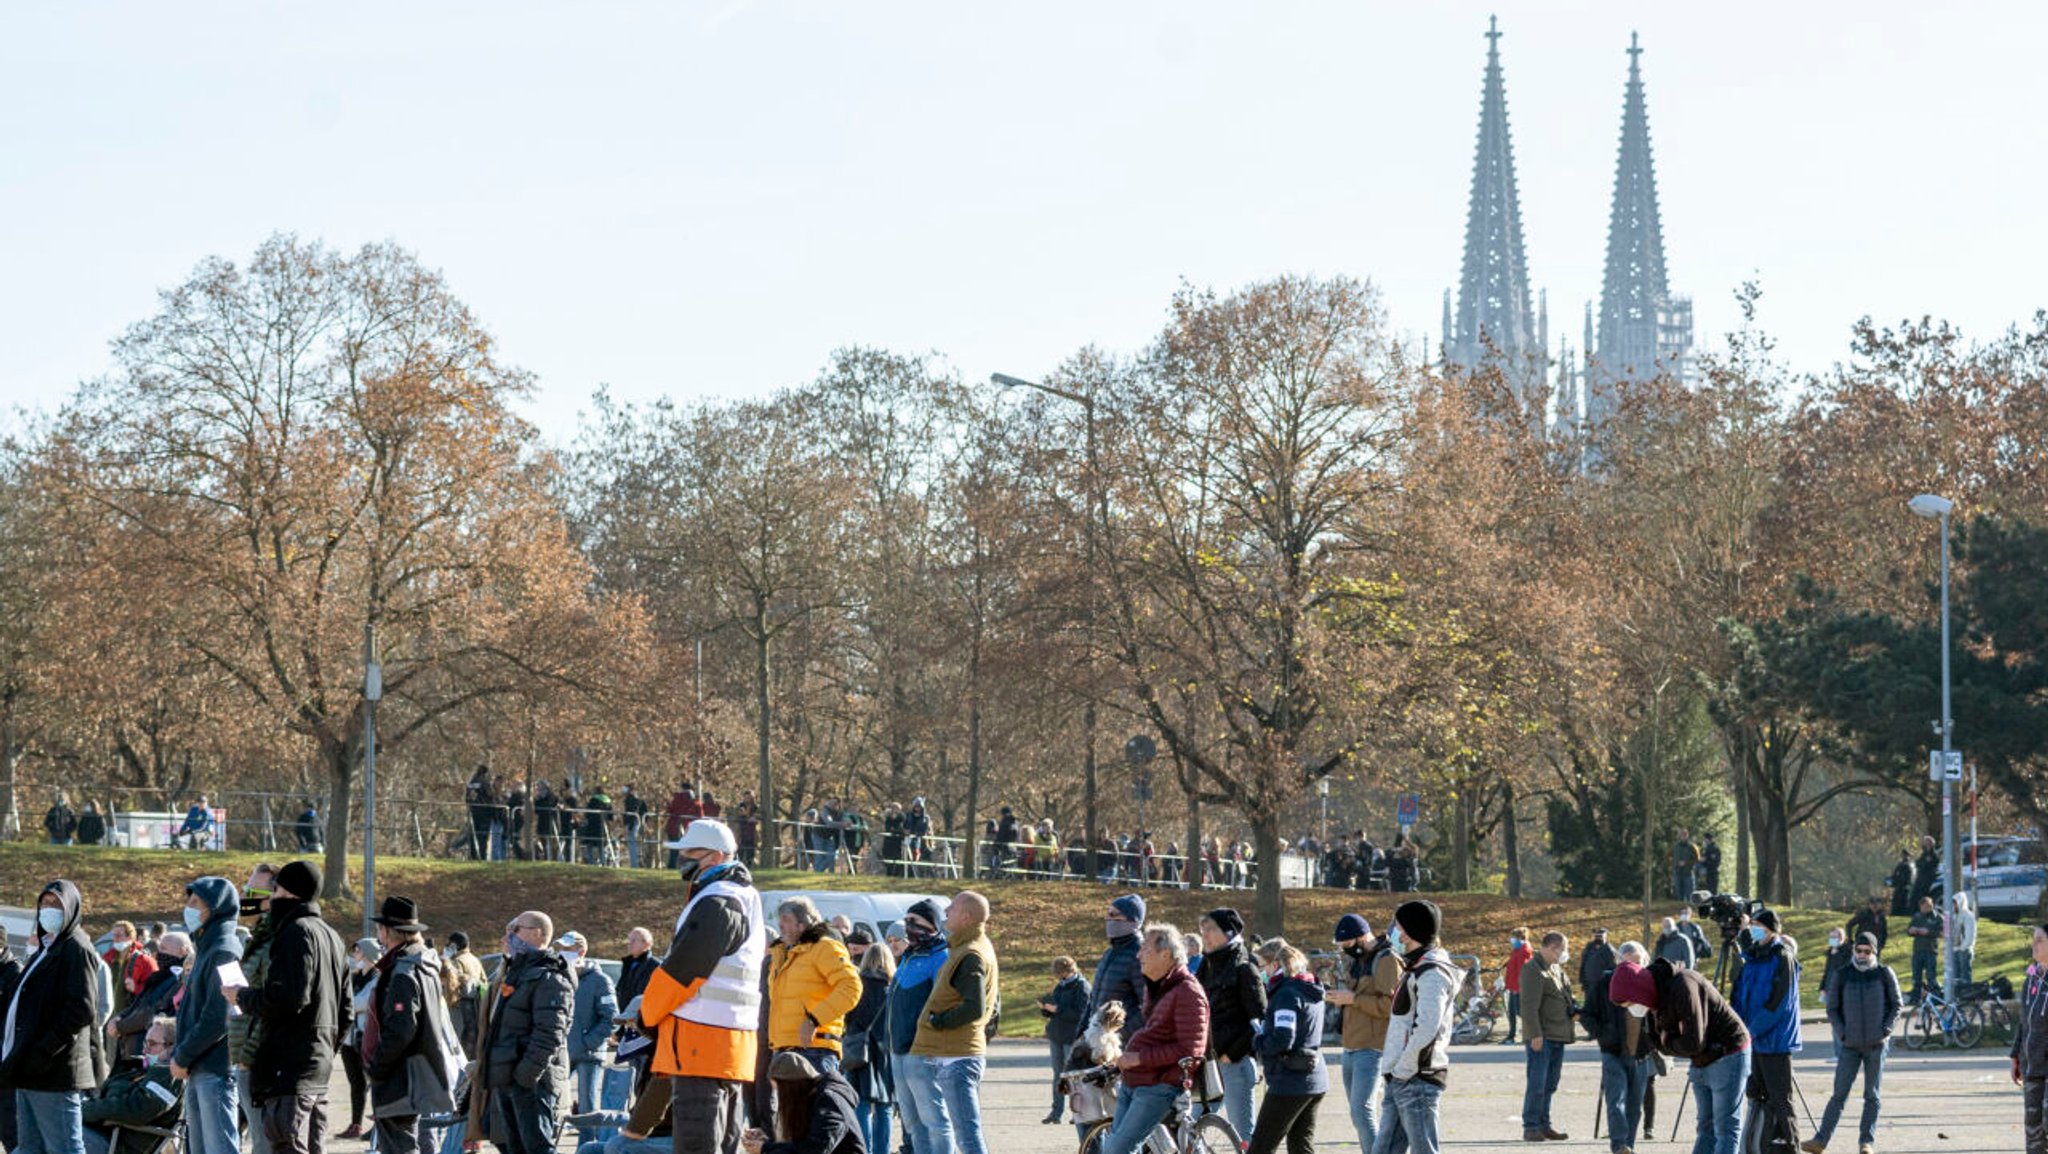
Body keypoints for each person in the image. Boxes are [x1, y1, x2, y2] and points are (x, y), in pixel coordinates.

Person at [638, 817, 763, 1154]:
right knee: (723, 1140)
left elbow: (682, 972)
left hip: (700, 1040)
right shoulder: (739, 897)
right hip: (726, 1041)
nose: (685, 858)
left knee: (698, 1141)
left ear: (718, 856)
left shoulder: (718, 901)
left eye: (692, 852)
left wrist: (647, 1016)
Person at [228, 860, 348, 1154]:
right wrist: (326, 1049)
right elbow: (344, 1011)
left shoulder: (294, 933)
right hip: (316, 1066)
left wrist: (241, 996)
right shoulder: (332, 936)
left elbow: (286, 999)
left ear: (290, 893)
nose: (270, 897)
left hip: (289, 1068)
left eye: (275, 890)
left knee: (283, 1144)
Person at [1, 880, 99, 1154]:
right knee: (31, 1147)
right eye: (44, 903)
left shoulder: (76, 948)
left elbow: (81, 1008)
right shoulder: (47, 948)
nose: (48, 909)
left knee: (64, 1148)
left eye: (55, 903)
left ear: (70, 907)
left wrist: (43, 1051)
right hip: (28, 1069)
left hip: (53, 1071)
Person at [1093, 924, 1208, 1154]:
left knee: (1116, 1150)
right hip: (1136, 1081)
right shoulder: (1157, 987)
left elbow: (1190, 1051)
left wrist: (1139, 1058)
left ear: (1165, 954)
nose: (1138, 955)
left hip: (1158, 1085)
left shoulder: (1187, 992)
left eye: (1144, 949)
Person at [907, 891, 998, 1154]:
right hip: (952, 1054)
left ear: (967, 917)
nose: (946, 912)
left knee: (967, 1137)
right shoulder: (966, 947)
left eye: (953, 908)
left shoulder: (971, 953)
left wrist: (939, 1022)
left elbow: (975, 1007)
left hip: (957, 1057)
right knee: (964, 1133)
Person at [365, 897, 458, 1154]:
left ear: (387, 932)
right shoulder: (421, 963)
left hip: (401, 1077)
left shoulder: (404, 972)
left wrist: (378, 1067)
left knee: (399, 1146)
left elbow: (401, 1029)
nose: (377, 934)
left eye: (379, 929)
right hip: (410, 1074)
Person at [1376, 899, 1459, 1154]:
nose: (1393, 932)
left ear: (1411, 931)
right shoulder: (1416, 966)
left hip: (1415, 1079)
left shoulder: (1431, 972)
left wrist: (1404, 1068)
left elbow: (1428, 1027)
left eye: (1397, 926)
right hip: (1401, 1077)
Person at [1645, 952, 1749, 1154]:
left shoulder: (1684, 984)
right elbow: (1660, 1043)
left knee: (1725, 1127)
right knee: (1705, 1127)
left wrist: (1669, 1041)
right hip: (1702, 1059)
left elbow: (1692, 1041)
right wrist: (1671, 1041)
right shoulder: (1655, 996)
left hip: (1727, 1052)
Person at [1805, 932, 1899, 1154]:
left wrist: (1886, 1030)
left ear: (1874, 952)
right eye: (1859, 950)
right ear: (1854, 950)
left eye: (1867, 951)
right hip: (1849, 1045)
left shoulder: (1884, 973)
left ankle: (1866, 1142)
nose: (1862, 955)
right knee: (1839, 1095)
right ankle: (1820, 1140)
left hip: (1876, 1045)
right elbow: (1832, 1008)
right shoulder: (1842, 974)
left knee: (1872, 1095)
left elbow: (1896, 1005)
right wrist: (1842, 1033)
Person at [171, 876, 242, 1154]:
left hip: (214, 1069)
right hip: (199, 1068)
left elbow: (220, 1015)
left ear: (215, 907)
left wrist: (183, 1055)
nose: (188, 908)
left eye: (195, 902)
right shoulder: (206, 949)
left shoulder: (224, 950)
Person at [1730, 908, 1802, 1154]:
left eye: (1758, 924)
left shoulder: (1783, 956)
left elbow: (1778, 1004)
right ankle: (1757, 1146)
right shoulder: (1751, 957)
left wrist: (1750, 1031)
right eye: (1752, 924)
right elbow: (1739, 995)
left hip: (1774, 1042)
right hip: (1751, 1041)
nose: (1753, 928)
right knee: (1756, 1097)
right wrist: (1737, 1027)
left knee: (1781, 1100)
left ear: (1771, 929)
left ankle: (1791, 1147)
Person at [1246, 938, 1327, 1154]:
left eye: (1262, 966)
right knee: (1301, 1147)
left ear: (1275, 965)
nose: (1261, 972)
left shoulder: (1286, 994)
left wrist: (1259, 1040)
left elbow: (1283, 1039)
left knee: (1261, 1147)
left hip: (1290, 1080)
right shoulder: (1309, 988)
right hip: (1314, 1077)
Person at [1327, 913, 1398, 1153]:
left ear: (1361, 937)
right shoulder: (1359, 960)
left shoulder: (1386, 959)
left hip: (1372, 1047)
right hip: (1351, 1046)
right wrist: (1342, 998)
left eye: (1347, 944)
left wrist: (1353, 999)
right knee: (1357, 1114)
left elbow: (1390, 1006)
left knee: (1362, 1110)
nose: (1345, 950)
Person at [766, 898, 862, 1076]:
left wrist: (813, 1020)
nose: (780, 925)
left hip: (815, 1050)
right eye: (780, 919)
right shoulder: (783, 953)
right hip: (785, 1048)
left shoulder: (825, 947)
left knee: (815, 1104)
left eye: (786, 919)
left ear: (804, 923)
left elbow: (851, 987)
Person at [1195, 908, 1265, 1142]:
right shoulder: (1206, 965)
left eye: (1211, 930)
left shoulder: (1245, 967)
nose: (1205, 935)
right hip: (1208, 1063)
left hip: (1234, 1063)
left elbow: (1260, 1019)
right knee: (1193, 1127)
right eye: (1203, 930)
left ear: (1228, 932)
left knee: (1242, 1135)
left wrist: (1232, 1053)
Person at [886, 899, 946, 1154]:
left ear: (932, 924)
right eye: (907, 920)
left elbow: (943, 1003)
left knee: (934, 1120)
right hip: (897, 1048)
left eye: (916, 922)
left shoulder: (941, 956)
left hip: (921, 1049)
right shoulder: (909, 956)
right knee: (911, 1121)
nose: (908, 927)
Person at [81, 1014, 182, 1154]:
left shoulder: (169, 1076)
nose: (145, 1050)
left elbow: (136, 1109)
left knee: (55, 1131)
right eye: (145, 1043)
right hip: (105, 1136)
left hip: (117, 1145)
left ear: (172, 1047)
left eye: (152, 1044)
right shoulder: (141, 1071)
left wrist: (85, 1110)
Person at [561, 931, 622, 1144]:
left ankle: (586, 1147)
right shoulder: (561, 977)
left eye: (567, 949)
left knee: (587, 1107)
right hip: (563, 1053)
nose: (562, 953)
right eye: (560, 948)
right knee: (554, 1100)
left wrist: (588, 1042)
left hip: (589, 1053)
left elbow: (611, 1018)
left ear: (581, 951)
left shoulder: (600, 980)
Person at [741, 1050, 861, 1154]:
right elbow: (802, 1146)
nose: (780, 1099)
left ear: (791, 1088)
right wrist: (768, 1143)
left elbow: (814, 1150)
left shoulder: (829, 1102)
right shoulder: (815, 1097)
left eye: (780, 1092)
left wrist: (766, 1148)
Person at [1597, 955, 1658, 1154]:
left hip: (1640, 1054)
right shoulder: (1607, 983)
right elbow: (1589, 1014)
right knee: (1616, 1101)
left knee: (1635, 1105)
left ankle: (1628, 1145)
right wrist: (1603, 1035)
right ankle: (1619, 1144)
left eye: (1636, 961)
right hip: (1613, 1052)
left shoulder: (1648, 985)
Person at [1519, 931, 1573, 1142]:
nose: (1564, 953)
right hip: (1542, 1037)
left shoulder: (1555, 969)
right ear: (1551, 948)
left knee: (1550, 1084)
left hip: (1557, 1035)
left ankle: (1544, 1124)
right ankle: (1531, 1126)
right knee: (1537, 1083)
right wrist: (1535, 1034)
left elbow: (1565, 996)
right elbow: (1528, 1006)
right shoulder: (1532, 969)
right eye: (1562, 949)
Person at [844, 935, 895, 1154]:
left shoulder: (856, 987)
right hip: (884, 1050)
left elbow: (847, 1017)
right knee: (884, 1104)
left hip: (859, 1049)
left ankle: (862, 1148)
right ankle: (882, 1150)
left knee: (861, 1102)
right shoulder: (892, 990)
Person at [111, 932, 186, 1063]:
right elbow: (139, 1003)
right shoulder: (159, 977)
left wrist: (121, 1025)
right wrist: (120, 1016)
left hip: (153, 1052)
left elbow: (155, 1011)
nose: (159, 953)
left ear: (182, 951)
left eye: (164, 949)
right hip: (133, 1049)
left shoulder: (180, 980)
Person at [1086, 895, 1149, 1046]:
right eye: (1107, 914)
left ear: (1132, 920)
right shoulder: (1109, 953)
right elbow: (1093, 999)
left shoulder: (1140, 955)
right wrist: (1082, 1032)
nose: (1108, 919)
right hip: (1096, 1039)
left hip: (1118, 1045)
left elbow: (1148, 1006)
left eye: (1113, 915)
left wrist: (1118, 1036)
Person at [338, 938, 381, 1141]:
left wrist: (345, 1003)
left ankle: (379, 1125)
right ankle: (355, 1125)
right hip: (349, 1040)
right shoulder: (354, 979)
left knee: (375, 1083)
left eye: (358, 951)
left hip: (366, 1038)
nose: (355, 956)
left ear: (368, 954)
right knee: (356, 1083)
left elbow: (362, 1003)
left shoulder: (378, 978)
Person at [2010, 923, 2048, 1154]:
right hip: (2032, 1063)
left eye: (2040, 940)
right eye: (2033, 939)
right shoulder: (2032, 980)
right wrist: (2016, 1055)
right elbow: (2024, 1022)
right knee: (2033, 1128)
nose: (2034, 944)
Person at [1038, 957, 1089, 1125]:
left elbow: (1081, 1014)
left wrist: (1058, 1010)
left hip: (1072, 1037)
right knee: (1058, 1075)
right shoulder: (1061, 985)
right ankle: (1056, 1112)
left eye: (1061, 974)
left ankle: (1078, 1112)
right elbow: (1055, 1009)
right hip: (1057, 1035)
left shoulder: (1082, 986)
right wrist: (1046, 1009)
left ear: (1069, 970)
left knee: (1074, 1076)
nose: (1060, 977)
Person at [439, 932, 487, 1060]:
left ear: (454, 945)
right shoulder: (475, 959)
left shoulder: (456, 961)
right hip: (475, 1006)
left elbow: (451, 984)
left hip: (459, 1005)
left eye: (449, 943)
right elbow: (484, 982)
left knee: (460, 1044)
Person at [102, 923, 157, 1017]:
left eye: (118, 935)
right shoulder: (107, 959)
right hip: (108, 1016)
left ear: (130, 937)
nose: (115, 939)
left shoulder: (145, 961)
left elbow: (154, 991)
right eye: (114, 935)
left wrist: (136, 988)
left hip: (131, 1016)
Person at [1906, 895, 1943, 1002]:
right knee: (1916, 976)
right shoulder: (1917, 916)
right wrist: (1911, 930)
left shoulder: (1937, 917)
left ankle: (1935, 999)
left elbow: (1942, 933)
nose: (1926, 908)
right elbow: (1908, 930)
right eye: (1923, 907)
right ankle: (1915, 998)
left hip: (1931, 950)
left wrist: (1928, 932)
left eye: (1928, 906)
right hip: (1918, 950)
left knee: (1931, 976)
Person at [1501, 927, 1534, 1044]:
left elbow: (1522, 971)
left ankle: (1531, 1033)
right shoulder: (1517, 950)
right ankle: (1512, 1035)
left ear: (1520, 938)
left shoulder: (1524, 951)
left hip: (1518, 988)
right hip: (1513, 986)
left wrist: (1518, 988)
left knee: (1520, 1012)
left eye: (1514, 937)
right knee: (1512, 1012)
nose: (1512, 940)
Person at [1952, 891, 1978, 988]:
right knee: (1956, 978)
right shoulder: (1954, 916)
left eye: (1955, 902)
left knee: (1965, 976)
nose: (1954, 905)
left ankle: (1966, 996)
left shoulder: (1968, 916)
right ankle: (1958, 996)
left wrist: (1963, 947)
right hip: (1954, 950)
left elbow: (1970, 935)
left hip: (1964, 950)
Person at [1910, 837, 1941, 909]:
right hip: (1920, 877)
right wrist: (1922, 864)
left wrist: (1923, 864)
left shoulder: (1934, 855)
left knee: (1924, 895)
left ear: (1931, 844)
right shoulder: (1924, 853)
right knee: (1915, 895)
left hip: (1928, 879)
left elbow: (1930, 865)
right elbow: (1918, 863)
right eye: (1925, 842)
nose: (1926, 844)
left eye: (1927, 842)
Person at [1672, 829, 1700, 901]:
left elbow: (1697, 859)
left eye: (1684, 835)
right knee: (1679, 895)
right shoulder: (1675, 846)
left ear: (1687, 836)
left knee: (1690, 895)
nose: (1683, 837)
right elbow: (1668, 856)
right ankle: (1681, 911)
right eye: (1681, 835)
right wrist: (1674, 864)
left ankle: (1690, 910)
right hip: (1678, 873)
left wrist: (1686, 863)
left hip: (1688, 874)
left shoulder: (1692, 847)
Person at [1887, 850, 1915, 918]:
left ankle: (1902, 914)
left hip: (1904, 887)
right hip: (1898, 886)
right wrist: (1892, 882)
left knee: (1903, 902)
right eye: (1903, 855)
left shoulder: (1908, 865)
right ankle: (1895, 914)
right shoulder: (1900, 864)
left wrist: (1906, 884)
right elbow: (1895, 875)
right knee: (1896, 901)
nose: (1904, 856)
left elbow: (1909, 877)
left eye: (1905, 855)